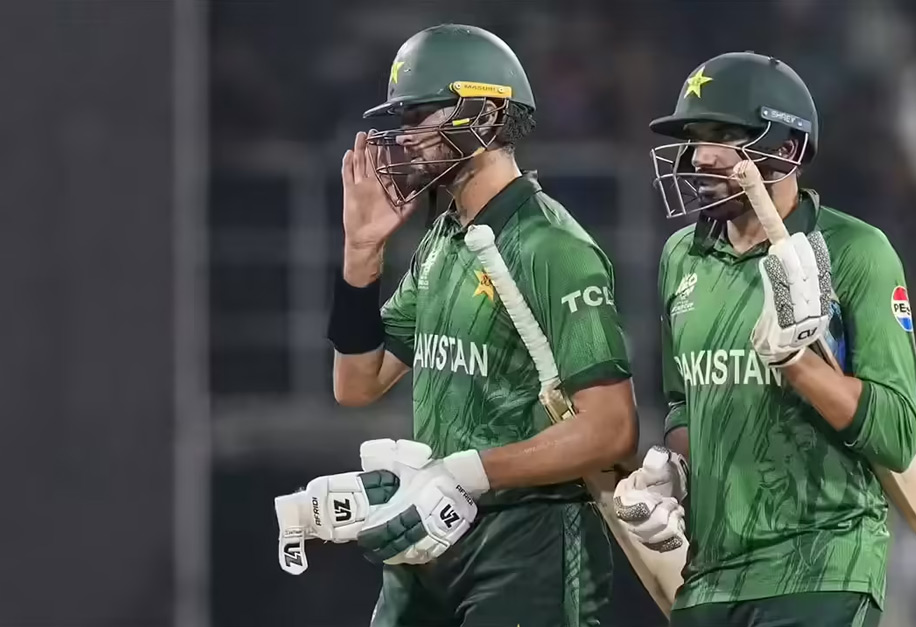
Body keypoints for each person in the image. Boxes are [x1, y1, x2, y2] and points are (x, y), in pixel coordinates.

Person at [321, 22, 657, 627]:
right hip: (434, 537)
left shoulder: (553, 247)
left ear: (484, 114)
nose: (404, 138)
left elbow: (612, 430)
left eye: (420, 115)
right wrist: (360, 254)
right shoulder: (443, 239)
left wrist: (464, 472)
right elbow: (356, 383)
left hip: (529, 543)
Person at [613, 51, 916, 627]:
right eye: (694, 138)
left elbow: (897, 434)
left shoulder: (856, 251)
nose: (700, 156)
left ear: (789, 148)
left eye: (725, 136)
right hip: (709, 574)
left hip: (821, 565)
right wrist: (672, 474)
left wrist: (798, 362)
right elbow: (685, 403)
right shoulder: (682, 256)